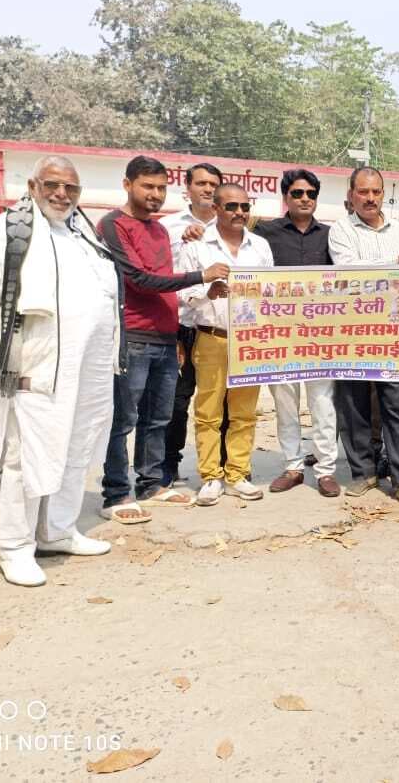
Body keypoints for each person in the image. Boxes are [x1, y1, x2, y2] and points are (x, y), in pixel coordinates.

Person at [0, 156, 119, 586]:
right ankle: (15, 547)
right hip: (37, 369)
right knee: (25, 457)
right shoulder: (5, 233)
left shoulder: (82, 233)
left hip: (87, 371)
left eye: (72, 188)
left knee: (76, 449)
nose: (62, 194)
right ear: (31, 185)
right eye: (53, 184)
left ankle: (57, 531)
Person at [98, 156, 231, 522]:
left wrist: (173, 333)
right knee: (123, 417)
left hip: (164, 335)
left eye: (160, 188)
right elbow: (139, 280)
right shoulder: (113, 225)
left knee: (158, 416)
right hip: (131, 334)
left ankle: (151, 483)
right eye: (147, 187)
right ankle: (116, 492)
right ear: (128, 185)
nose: (155, 195)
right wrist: (199, 276)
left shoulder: (158, 230)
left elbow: (164, 283)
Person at [328, 167, 399, 510]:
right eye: (363, 192)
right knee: (353, 404)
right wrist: (396, 262)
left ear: (384, 194)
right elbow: (349, 270)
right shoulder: (340, 230)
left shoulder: (398, 231)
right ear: (351, 193)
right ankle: (364, 471)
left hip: (392, 334)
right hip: (353, 332)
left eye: (376, 192)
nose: (370, 198)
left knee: (397, 405)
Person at [177, 184, 273, 505]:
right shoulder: (197, 244)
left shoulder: (260, 247)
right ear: (216, 208)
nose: (239, 213)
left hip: (251, 341)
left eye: (245, 207)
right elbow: (182, 294)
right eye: (231, 206)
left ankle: (237, 474)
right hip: (212, 337)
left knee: (245, 412)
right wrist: (208, 289)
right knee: (208, 411)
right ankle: (210, 476)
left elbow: (273, 292)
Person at [255, 169, 342, 497]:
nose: (304, 199)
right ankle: (292, 467)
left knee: (322, 404)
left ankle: (325, 470)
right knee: (286, 402)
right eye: (297, 193)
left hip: (320, 336)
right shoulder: (265, 232)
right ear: (285, 197)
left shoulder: (331, 235)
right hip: (279, 336)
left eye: (310, 194)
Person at [160, 163, 225, 487]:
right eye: (201, 182)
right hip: (181, 325)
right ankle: (169, 466)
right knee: (177, 400)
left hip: (217, 326)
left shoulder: (228, 226)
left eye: (214, 183)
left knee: (219, 400)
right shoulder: (168, 227)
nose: (207, 189)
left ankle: (224, 466)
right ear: (187, 187)